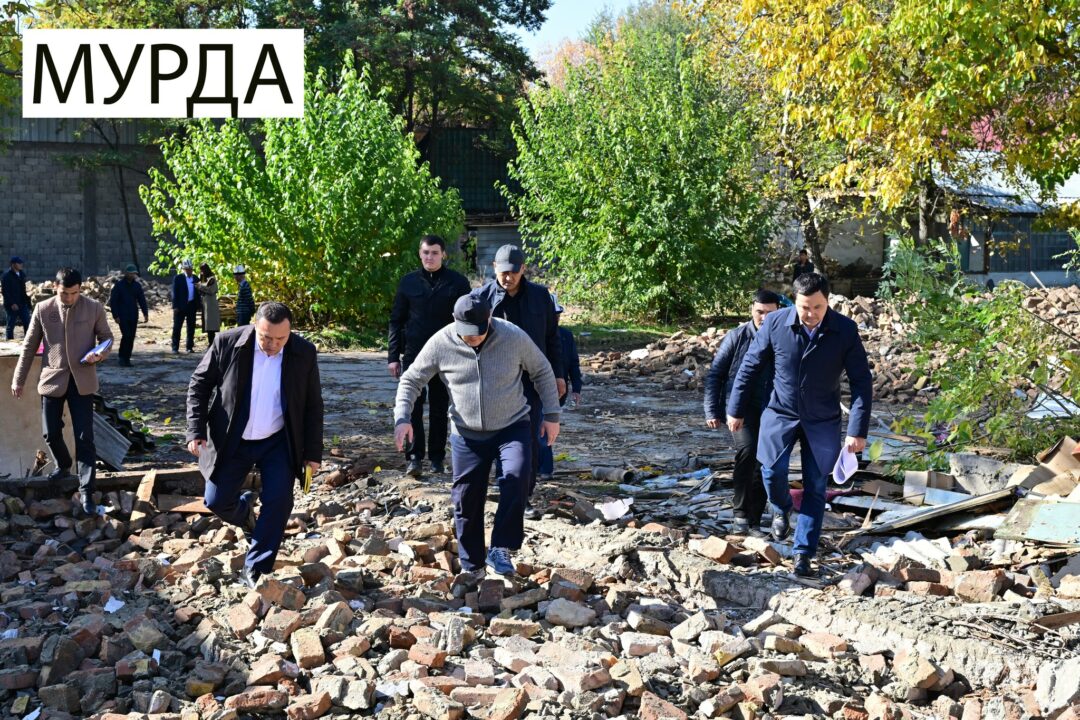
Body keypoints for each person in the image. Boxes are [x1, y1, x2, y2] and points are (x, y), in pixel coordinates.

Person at [393, 295, 561, 576]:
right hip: (466, 433)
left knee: (517, 477)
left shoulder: (512, 336)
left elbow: (542, 371)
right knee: (466, 498)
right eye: (467, 333)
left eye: (479, 333)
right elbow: (411, 380)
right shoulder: (441, 342)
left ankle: (500, 547)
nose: (473, 339)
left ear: (490, 318)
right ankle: (472, 567)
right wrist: (402, 418)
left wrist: (552, 415)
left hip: (512, 425)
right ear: (454, 321)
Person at [727, 273, 872, 577]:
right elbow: (750, 366)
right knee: (771, 471)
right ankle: (781, 507)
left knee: (816, 486)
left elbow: (861, 381)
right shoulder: (775, 323)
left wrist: (857, 430)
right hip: (780, 412)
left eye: (818, 307)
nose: (811, 314)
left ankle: (803, 553)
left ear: (827, 302)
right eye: (805, 307)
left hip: (823, 419)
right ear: (794, 301)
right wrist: (735, 409)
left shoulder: (845, 330)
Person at [186, 301, 324, 588]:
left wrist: (312, 452)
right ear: (254, 327)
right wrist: (195, 429)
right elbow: (199, 384)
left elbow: (313, 405)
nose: (273, 345)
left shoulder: (304, 352)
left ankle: (257, 567)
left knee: (279, 500)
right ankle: (246, 514)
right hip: (233, 437)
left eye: (280, 339)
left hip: (278, 439)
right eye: (266, 338)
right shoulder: (228, 343)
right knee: (216, 500)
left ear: (290, 332)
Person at [11, 267, 113, 514]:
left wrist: (100, 354)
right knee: (51, 432)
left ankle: (87, 491)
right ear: (56, 287)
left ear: (80, 289)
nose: (70, 298)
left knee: (84, 437)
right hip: (52, 379)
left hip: (82, 380)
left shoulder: (94, 308)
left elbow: (107, 339)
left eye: (75, 293)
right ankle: (64, 464)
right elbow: (29, 347)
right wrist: (18, 379)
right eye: (65, 293)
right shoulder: (43, 309)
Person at [472, 245, 564, 519]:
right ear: (494, 268)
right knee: (496, 437)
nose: (507, 277)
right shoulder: (481, 298)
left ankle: (521, 496)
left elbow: (552, 339)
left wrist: (559, 374)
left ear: (523, 269)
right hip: (495, 381)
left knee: (529, 440)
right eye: (502, 272)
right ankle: (497, 489)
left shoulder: (540, 297)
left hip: (532, 380)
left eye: (513, 272)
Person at [388, 234, 472, 478]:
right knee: (412, 406)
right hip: (414, 353)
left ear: (443, 254)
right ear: (420, 253)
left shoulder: (457, 283)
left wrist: (467, 353)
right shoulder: (408, 282)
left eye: (435, 253)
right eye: (425, 252)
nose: (430, 257)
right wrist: (393, 356)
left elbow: (467, 319)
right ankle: (414, 457)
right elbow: (396, 320)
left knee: (439, 407)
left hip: (448, 354)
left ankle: (436, 458)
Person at [703, 289, 781, 536]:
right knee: (747, 453)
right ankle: (739, 515)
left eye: (770, 313)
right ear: (751, 310)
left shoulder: (783, 337)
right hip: (741, 409)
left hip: (773, 409)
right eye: (759, 312)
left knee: (764, 461)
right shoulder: (737, 337)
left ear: (778, 312)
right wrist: (712, 410)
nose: (764, 318)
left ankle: (754, 520)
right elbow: (717, 375)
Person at [537, 294, 582, 482]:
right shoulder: (532, 335)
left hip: (556, 390)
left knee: (544, 426)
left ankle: (544, 468)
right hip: (534, 387)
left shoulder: (565, 336)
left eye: (556, 315)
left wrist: (576, 388)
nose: (555, 319)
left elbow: (573, 363)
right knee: (536, 427)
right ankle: (538, 467)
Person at [108, 264, 149, 367]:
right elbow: (113, 302)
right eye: (130, 273)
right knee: (126, 335)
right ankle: (122, 357)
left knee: (131, 337)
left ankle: (127, 358)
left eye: (134, 274)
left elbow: (141, 300)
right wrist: (115, 315)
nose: (132, 275)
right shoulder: (119, 286)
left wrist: (145, 313)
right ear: (126, 273)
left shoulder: (137, 286)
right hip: (122, 316)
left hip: (133, 315)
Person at [171, 259, 198, 353]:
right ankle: (175, 347)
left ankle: (189, 347)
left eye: (190, 269)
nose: (189, 271)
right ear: (183, 269)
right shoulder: (178, 278)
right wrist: (175, 306)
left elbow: (198, 293)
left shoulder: (195, 278)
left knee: (191, 327)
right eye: (187, 269)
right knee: (177, 327)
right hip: (180, 306)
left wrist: (198, 305)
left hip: (191, 305)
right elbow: (175, 293)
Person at [2, 256, 31, 340]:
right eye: (19, 263)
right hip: (11, 305)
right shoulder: (6, 276)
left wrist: (28, 302)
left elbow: (23, 289)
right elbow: (5, 292)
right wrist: (12, 303)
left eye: (21, 263)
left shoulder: (21, 274)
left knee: (27, 322)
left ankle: (28, 341)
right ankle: (9, 342)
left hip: (22, 303)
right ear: (13, 264)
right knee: (10, 325)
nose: (21, 264)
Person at [198, 264, 221, 345]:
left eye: (202, 270)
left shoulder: (212, 279)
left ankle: (212, 344)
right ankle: (210, 343)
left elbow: (211, 290)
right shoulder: (203, 279)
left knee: (211, 326)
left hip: (211, 305)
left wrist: (200, 287)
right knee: (207, 326)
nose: (201, 272)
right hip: (205, 304)